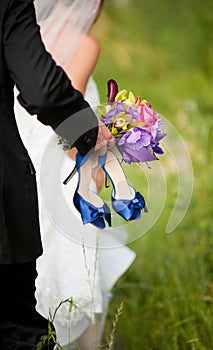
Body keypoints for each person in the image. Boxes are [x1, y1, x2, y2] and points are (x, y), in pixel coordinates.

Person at [14, 0, 136, 349]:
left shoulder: (24, 37)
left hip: (21, 157)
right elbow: (67, 123)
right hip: (60, 165)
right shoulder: (83, 44)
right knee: (76, 263)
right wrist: (98, 162)